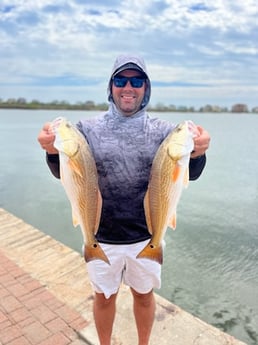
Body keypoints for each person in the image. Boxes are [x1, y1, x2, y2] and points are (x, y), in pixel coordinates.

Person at [38, 54, 210, 345]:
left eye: (136, 80)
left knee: (144, 296)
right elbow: (67, 173)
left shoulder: (164, 131)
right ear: (111, 86)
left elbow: (187, 175)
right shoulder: (86, 128)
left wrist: (199, 152)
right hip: (100, 235)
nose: (128, 87)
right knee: (104, 298)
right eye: (120, 80)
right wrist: (52, 152)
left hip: (146, 236)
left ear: (146, 87)